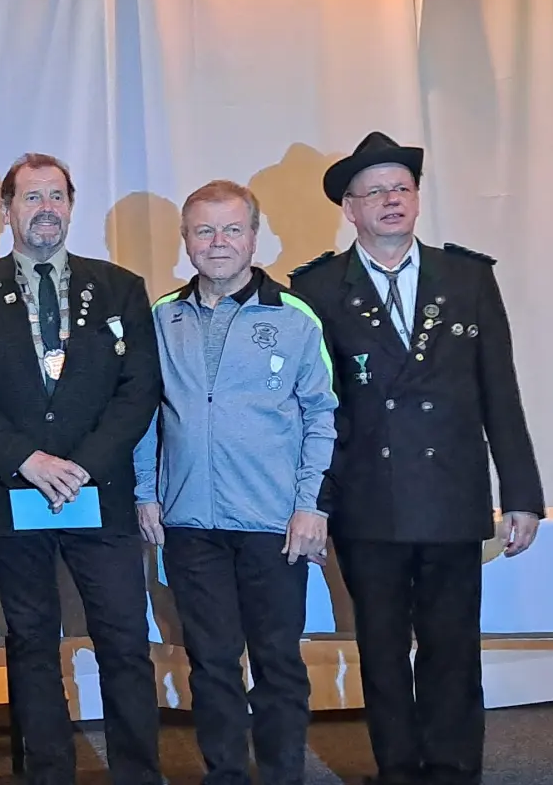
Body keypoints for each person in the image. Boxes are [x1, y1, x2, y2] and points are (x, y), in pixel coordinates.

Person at [289, 132, 542, 785]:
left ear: (417, 199)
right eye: (375, 191)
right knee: (380, 651)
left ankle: (455, 770)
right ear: (349, 208)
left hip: (451, 495)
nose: (392, 200)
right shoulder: (316, 289)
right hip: (367, 498)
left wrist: (520, 492)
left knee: (453, 649)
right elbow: (312, 411)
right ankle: (399, 770)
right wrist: (311, 503)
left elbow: (500, 391)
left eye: (402, 187)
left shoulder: (467, 278)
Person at [0, 153, 162, 785]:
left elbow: (137, 390)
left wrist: (82, 467)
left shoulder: (119, 287)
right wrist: (28, 462)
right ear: (7, 209)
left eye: (57, 195)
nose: (45, 208)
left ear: (71, 204)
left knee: (124, 642)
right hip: (13, 493)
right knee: (32, 644)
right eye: (31, 197)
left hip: (102, 493)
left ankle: (140, 774)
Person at [134, 180, 337, 785]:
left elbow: (323, 416)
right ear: (186, 241)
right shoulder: (162, 317)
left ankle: (281, 776)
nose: (217, 243)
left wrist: (310, 506)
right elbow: (145, 414)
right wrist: (146, 491)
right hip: (191, 523)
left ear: (254, 236)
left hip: (274, 525)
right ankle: (224, 774)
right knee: (212, 662)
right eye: (204, 230)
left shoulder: (294, 316)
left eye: (231, 230)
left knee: (277, 662)